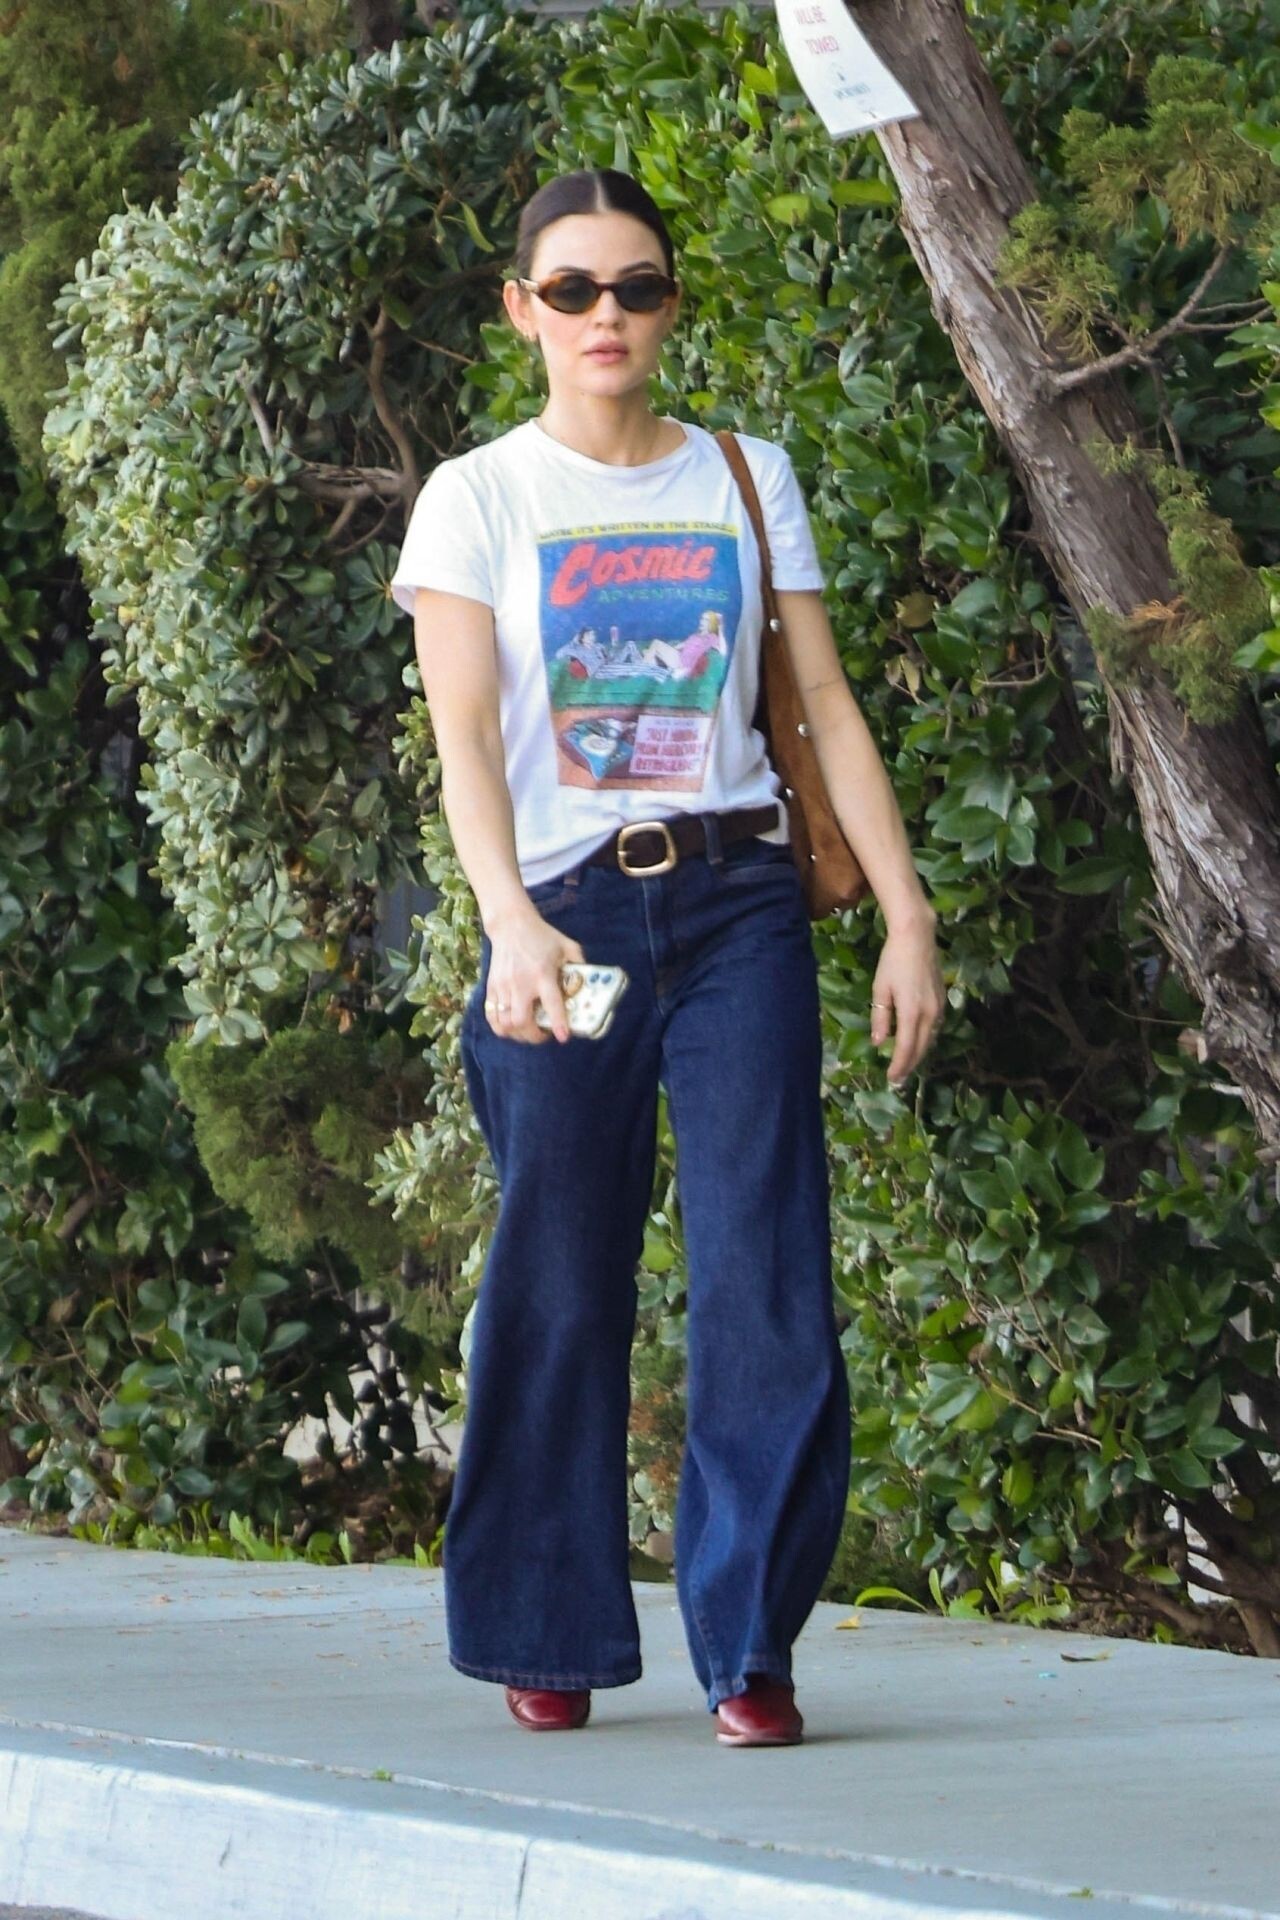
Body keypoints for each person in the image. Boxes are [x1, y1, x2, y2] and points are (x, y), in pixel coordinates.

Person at [390, 167, 944, 1748]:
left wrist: (907, 913)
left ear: (670, 303)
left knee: (765, 1270)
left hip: (737, 903)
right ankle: (543, 1626)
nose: (606, 316)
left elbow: (822, 704)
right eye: (573, 290)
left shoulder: (744, 477)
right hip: (565, 915)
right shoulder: (478, 497)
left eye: (635, 286)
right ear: (523, 310)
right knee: (560, 1277)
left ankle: (748, 1643)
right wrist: (508, 921)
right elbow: (465, 744)